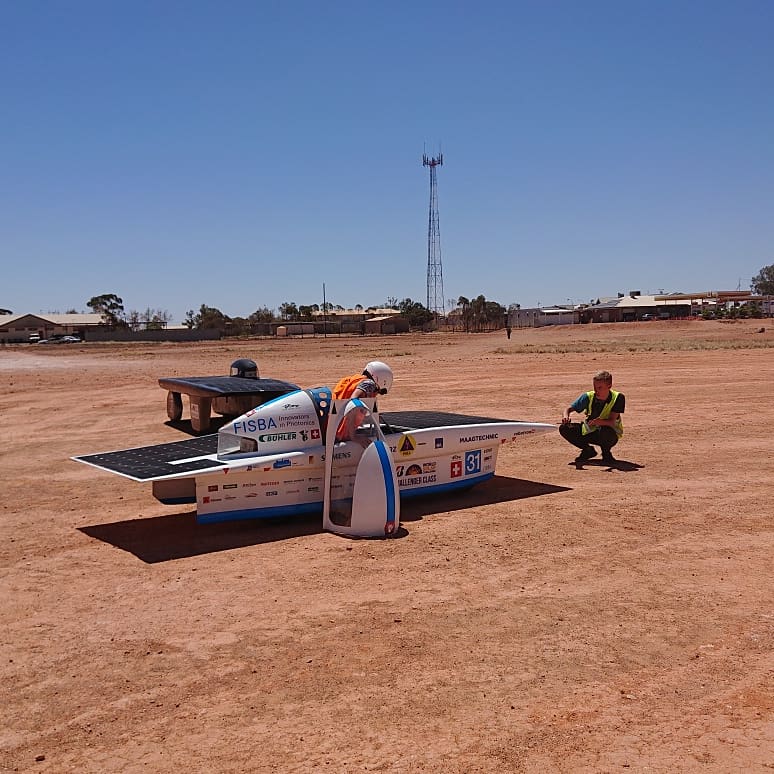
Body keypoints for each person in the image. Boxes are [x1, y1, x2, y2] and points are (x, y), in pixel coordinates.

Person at [560, 370, 624, 465]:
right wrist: (566, 417)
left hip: (609, 434)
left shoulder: (618, 398)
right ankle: (588, 450)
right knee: (564, 428)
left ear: (609, 386)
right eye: (594, 387)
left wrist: (598, 422)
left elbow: (611, 422)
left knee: (605, 431)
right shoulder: (588, 396)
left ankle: (606, 453)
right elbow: (568, 409)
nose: (596, 390)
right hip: (590, 430)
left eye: (599, 387)